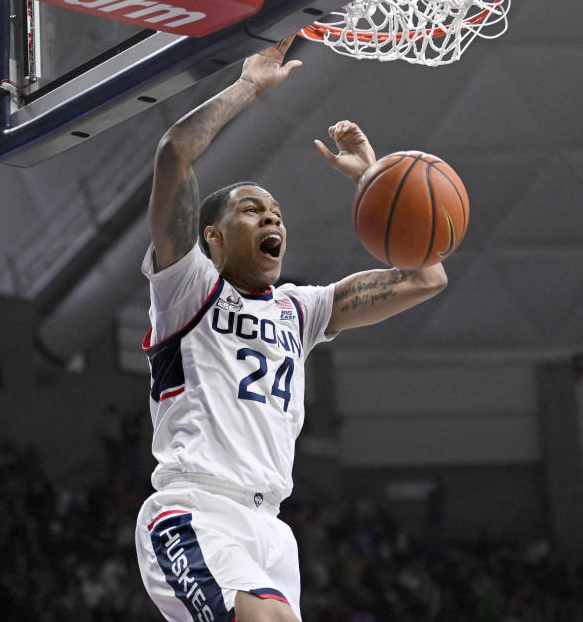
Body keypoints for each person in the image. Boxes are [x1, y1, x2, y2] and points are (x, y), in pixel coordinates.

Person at [134, 36, 448, 622]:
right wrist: (249, 86)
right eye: (251, 209)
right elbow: (175, 154)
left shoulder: (300, 310)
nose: (271, 216)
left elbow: (426, 278)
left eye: (275, 212)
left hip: (271, 528)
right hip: (197, 508)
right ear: (212, 238)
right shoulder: (188, 287)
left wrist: (373, 180)